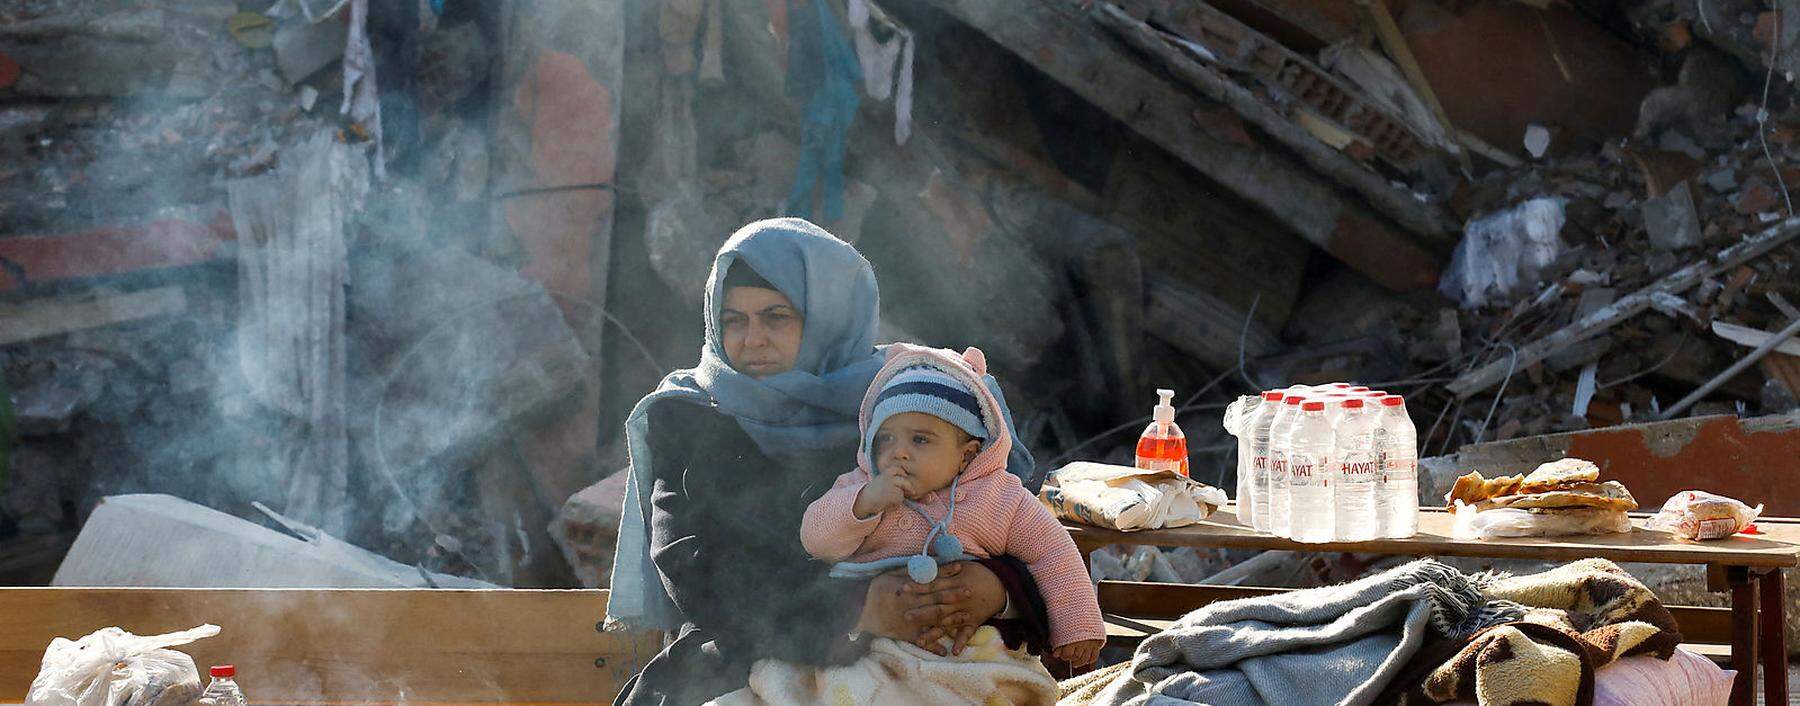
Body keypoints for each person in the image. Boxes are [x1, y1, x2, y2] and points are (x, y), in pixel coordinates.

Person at [608, 218, 1048, 706]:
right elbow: (694, 572)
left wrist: (994, 588)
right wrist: (852, 611)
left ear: (830, 316)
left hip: (929, 656)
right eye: (734, 319)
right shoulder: (692, 415)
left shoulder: (905, 403)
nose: (751, 339)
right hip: (741, 657)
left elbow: (1007, 523)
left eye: (776, 316)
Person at [800, 344, 1105, 668]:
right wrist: (862, 504)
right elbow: (816, 540)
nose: (898, 452)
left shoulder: (998, 496)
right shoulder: (859, 486)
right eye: (886, 438)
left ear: (967, 455)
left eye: (920, 440)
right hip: (876, 643)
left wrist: (1077, 624)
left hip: (973, 644)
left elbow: (1053, 551)